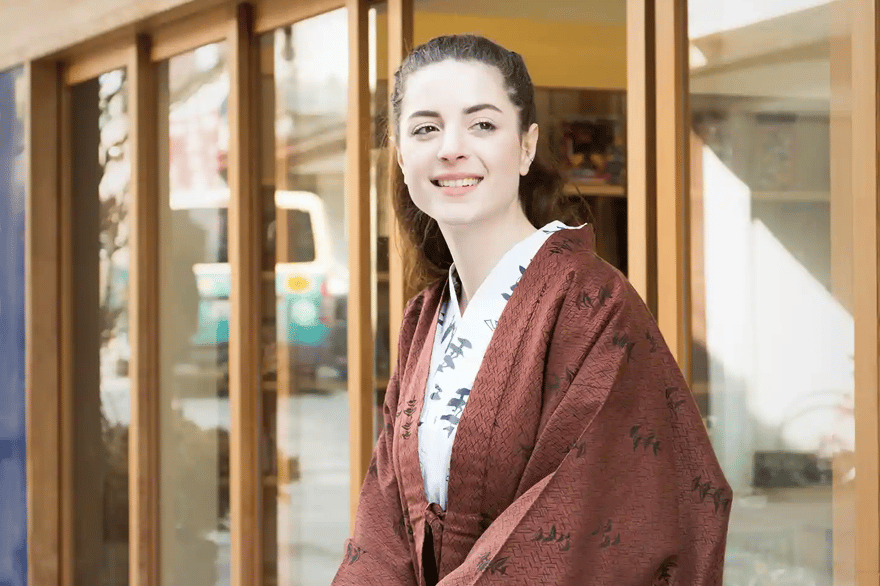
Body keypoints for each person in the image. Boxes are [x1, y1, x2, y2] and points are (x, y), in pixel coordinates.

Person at [332, 34, 731, 586]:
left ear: (525, 146)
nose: (451, 148)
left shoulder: (593, 303)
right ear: (402, 158)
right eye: (426, 128)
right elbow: (383, 517)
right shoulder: (424, 319)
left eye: (482, 125)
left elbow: (589, 510)